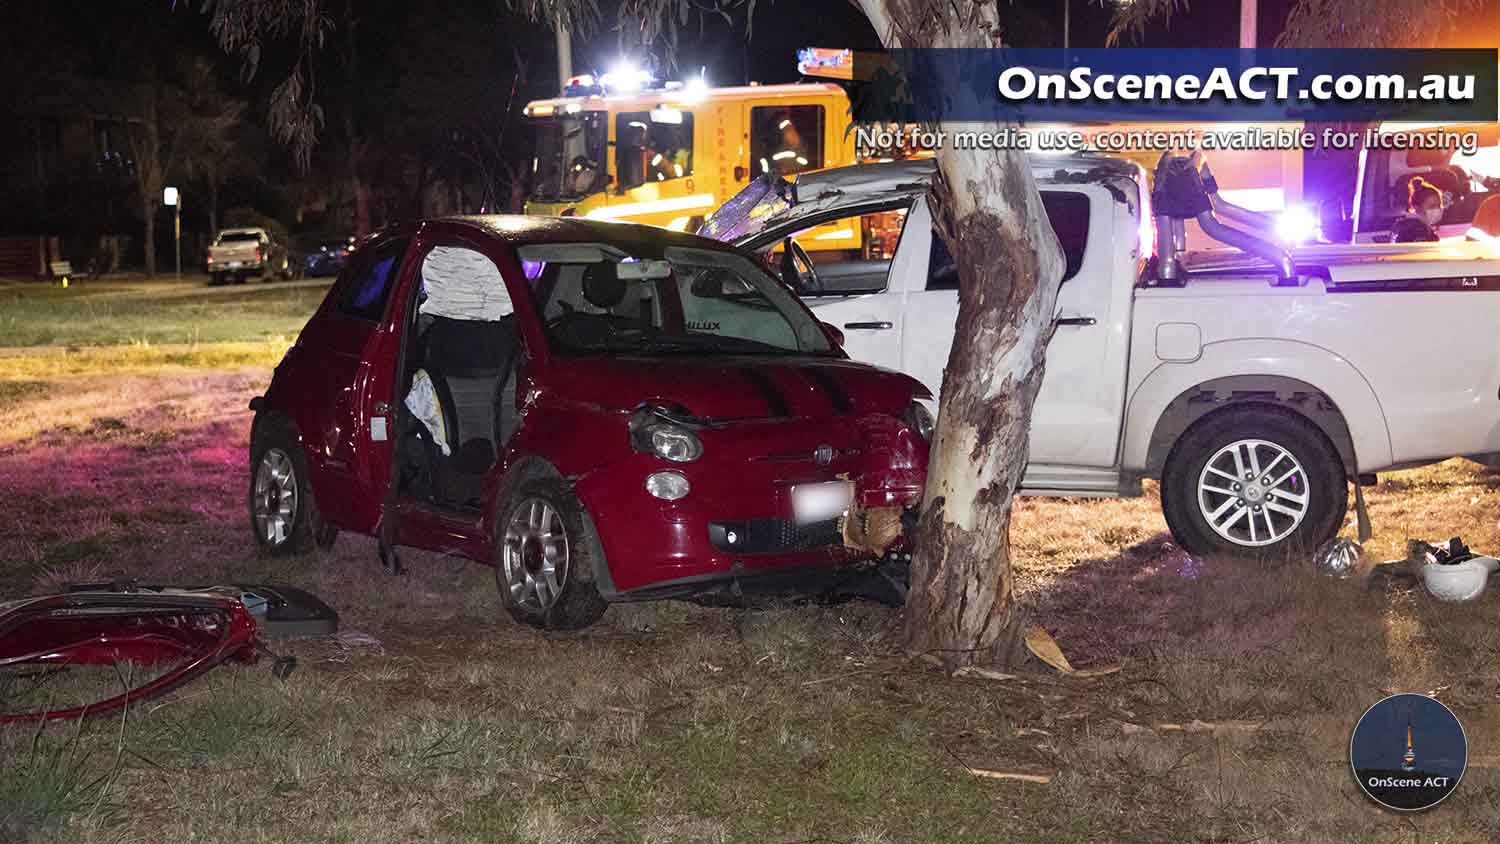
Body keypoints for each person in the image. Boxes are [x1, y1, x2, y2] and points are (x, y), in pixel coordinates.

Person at [1391, 177, 1443, 243]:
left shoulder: (1402, 225)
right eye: (1432, 206)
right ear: (1417, 208)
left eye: (1439, 205)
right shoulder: (1415, 231)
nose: (1437, 210)